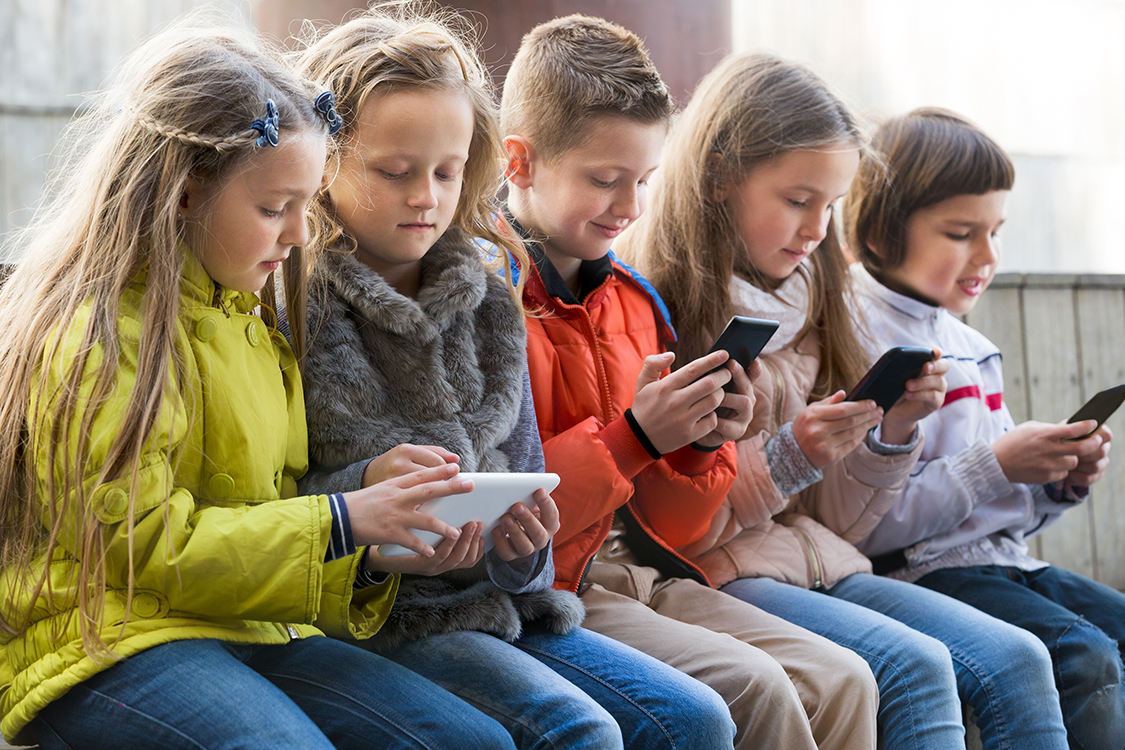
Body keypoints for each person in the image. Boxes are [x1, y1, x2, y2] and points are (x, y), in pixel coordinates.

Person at [0, 20, 534, 750]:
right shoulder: (97, 335)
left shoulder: (256, 328)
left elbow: (274, 514)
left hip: (248, 624)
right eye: (273, 208)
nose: (298, 236)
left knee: (468, 740)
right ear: (185, 194)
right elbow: (143, 545)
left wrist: (379, 550)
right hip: (107, 639)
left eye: (303, 206)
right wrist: (344, 521)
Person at [292, 8, 736, 750]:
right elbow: (276, 504)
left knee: (694, 718)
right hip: (376, 617)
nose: (426, 196)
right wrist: (371, 522)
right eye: (395, 172)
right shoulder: (297, 302)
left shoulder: (489, 293)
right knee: (578, 729)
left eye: (447, 170)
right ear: (322, 162)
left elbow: (528, 499)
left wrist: (519, 543)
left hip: (499, 604)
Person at [619, 52, 1072, 750]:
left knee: (1017, 654)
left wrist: (888, 434)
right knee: (913, 665)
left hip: (818, 556)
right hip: (711, 573)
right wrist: (790, 456)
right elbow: (678, 529)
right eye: (798, 201)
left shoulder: (810, 296)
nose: (816, 230)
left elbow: (844, 526)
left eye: (829, 205)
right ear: (715, 178)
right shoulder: (651, 305)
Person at [499, 15, 880, 750]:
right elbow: (503, 508)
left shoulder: (637, 304)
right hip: (548, 587)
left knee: (843, 678)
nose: (629, 207)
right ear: (518, 162)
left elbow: (670, 528)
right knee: (758, 689)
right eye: (604, 181)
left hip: (640, 573)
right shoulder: (490, 299)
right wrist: (636, 435)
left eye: (642, 181)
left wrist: (702, 446)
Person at [847, 106, 1123, 750]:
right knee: (1086, 657)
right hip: (920, 576)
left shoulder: (972, 344)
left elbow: (1004, 519)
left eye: (995, 230)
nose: (988, 255)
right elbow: (870, 531)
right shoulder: (856, 339)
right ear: (883, 234)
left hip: (1007, 563)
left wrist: (1055, 482)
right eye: (960, 232)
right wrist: (996, 463)